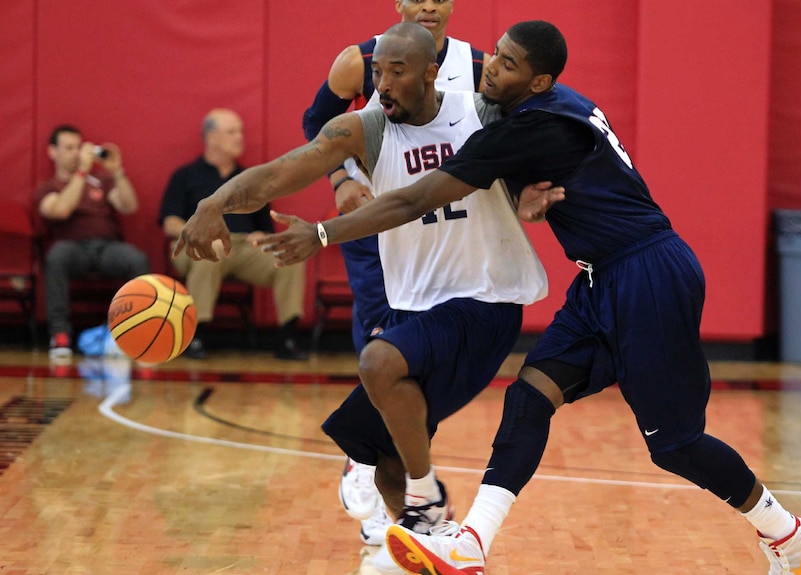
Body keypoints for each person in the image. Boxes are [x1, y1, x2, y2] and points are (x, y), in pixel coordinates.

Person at [252, 20, 801, 575]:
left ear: (538, 82)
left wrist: (322, 232)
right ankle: (470, 545)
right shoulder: (548, 108)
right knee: (529, 398)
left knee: (675, 443)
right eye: (494, 54)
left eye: (506, 64)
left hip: (648, 274)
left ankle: (787, 534)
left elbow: (415, 199)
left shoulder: (533, 126)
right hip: (599, 279)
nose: (489, 69)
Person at [174, 23, 548, 573]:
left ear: (428, 72)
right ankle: (441, 546)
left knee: (377, 360)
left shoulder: (478, 112)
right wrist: (214, 202)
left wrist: (537, 192)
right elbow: (279, 173)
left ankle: (426, 505)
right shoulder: (366, 128)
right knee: (379, 462)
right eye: (377, 73)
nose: (384, 84)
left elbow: (544, 143)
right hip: (418, 307)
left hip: (485, 298)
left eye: (397, 72)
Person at [301, 0, 490, 547]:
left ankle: (394, 468)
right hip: (376, 219)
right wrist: (340, 178)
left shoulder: (478, 70)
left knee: (425, 359)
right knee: (386, 334)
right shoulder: (359, 63)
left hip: (444, 231)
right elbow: (317, 125)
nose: (428, 3)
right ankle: (379, 468)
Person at [159, 108, 308, 360]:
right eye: (231, 132)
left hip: (242, 248)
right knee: (209, 254)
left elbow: (265, 227)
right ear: (212, 137)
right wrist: (199, 232)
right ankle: (195, 336)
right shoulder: (186, 176)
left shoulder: (249, 179)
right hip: (195, 245)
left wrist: (259, 236)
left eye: (240, 131)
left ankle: (288, 337)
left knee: (290, 258)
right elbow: (169, 221)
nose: (240, 137)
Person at [35, 124, 150, 359]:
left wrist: (117, 172)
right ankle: (60, 335)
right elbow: (61, 210)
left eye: (79, 147)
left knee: (137, 260)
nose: (76, 153)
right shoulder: (48, 187)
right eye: (69, 148)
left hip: (107, 247)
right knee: (56, 257)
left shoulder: (101, 181)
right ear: (53, 152)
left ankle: (135, 332)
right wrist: (81, 174)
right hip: (72, 248)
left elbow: (129, 206)